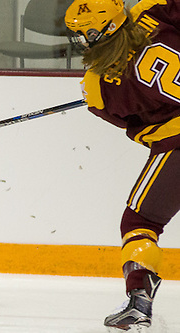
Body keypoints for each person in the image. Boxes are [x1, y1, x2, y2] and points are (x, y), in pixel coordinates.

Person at [65, 0, 180, 331]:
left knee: (140, 221)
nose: (81, 41)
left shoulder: (98, 85)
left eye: (82, 34)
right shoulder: (155, 10)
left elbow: (137, 126)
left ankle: (139, 300)